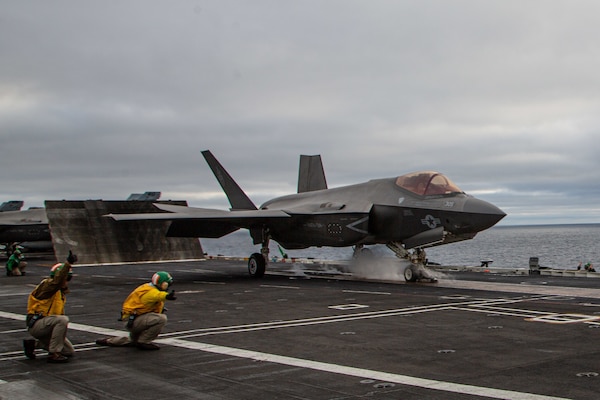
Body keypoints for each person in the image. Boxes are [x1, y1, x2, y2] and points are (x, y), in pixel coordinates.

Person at [95, 271, 176, 350]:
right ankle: (144, 342)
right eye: (167, 284)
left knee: (132, 340)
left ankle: (109, 341)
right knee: (161, 319)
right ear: (162, 284)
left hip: (133, 318)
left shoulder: (147, 287)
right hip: (133, 320)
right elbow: (156, 296)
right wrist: (167, 296)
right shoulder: (151, 292)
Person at [24, 251, 78, 363]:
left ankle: (34, 344)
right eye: (66, 279)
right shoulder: (46, 287)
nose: (67, 282)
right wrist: (67, 264)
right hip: (37, 324)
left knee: (69, 351)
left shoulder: (59, 293)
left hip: (47, 326)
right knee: (62, 320)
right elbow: (56, 282)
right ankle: (54, 354)